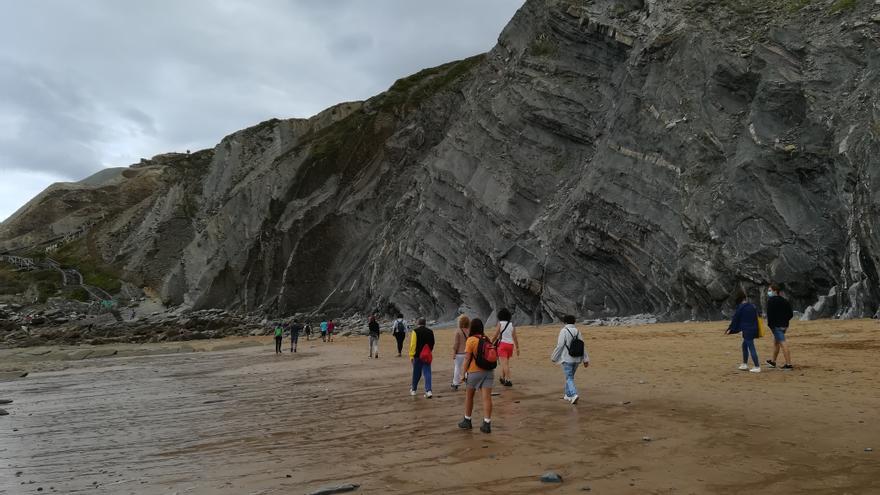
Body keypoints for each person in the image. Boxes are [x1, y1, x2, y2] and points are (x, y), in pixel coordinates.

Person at [457, 318, 493, 433]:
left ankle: (467, 420)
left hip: (474, 372)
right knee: (487, 398)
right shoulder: (486, 338)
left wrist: (462, 374)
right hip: (488, 371)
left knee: (469, 397)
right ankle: (487, 423)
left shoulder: (471, 340)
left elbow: (467, 359)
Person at [551, 315, 590, 404]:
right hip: (577, 359)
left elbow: (560, 345)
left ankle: (574, 394)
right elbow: (582, 345)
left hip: (567, 358)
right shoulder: (577, 331)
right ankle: (568, 395)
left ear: (564, 322)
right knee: (570, 377)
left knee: (569, 377)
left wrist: (554, 357)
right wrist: (585, 359)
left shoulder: (564, 331)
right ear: (574, 322)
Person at [726, 290, 761, 373]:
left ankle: (757, 366)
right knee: (744, 345)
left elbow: (735, 319)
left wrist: (730, 329)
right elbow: (758, 316)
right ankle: (745, 364)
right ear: (745, 298)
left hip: (747, 330)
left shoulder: (740, 308)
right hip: (754, 329)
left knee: (751, 347)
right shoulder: (752, 306)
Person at [766, 284, 794, 370]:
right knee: (776, 342)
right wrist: (785, 321)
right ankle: (773, 362)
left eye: (770, 290)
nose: (768, 292)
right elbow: (790, 314)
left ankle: (788, 364)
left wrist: (771, 325)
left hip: (776, 326)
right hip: (784, 325)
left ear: (775, 291)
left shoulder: (771, 301)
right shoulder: (785, 301)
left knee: (782, 343)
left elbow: (769, 315)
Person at [490, 308, 519, 387]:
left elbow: (496, 335)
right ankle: (502, 378)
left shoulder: (500, 323)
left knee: (504, 364)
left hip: (502, 345)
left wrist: (490, 343)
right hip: (510, 345)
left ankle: (508, 379)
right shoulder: (511, 324)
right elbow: (515, 337)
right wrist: (517, 348)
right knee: (505, 363)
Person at [408, 317, 435, 398]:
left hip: (417, 356)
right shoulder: (430, 331)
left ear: (418, 323)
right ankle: (428, 391)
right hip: (426, 355)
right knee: (427, 373)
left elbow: (413, 345)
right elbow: (432, 343)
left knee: (416, 373)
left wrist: (411, 355)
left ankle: (413, 390)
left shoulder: (415, 331)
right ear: (425, 323)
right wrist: (428, 351)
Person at [451, 314, 470, 390]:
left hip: (459, 353)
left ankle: (455, 383)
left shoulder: (458, 331)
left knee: (457, 368)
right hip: (467, 353)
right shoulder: (469, 331)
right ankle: (468, 382)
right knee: (467, 368)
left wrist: (454, 352)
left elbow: (456, 343)